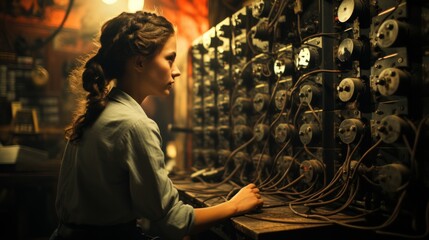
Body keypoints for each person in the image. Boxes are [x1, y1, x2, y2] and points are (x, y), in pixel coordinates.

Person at [50, 11, 263, 240]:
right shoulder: (135, 124)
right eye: (169, 59)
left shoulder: (100, 111)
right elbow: (172, 223)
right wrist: (235, 206)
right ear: (140, 62)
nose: (177, 70)